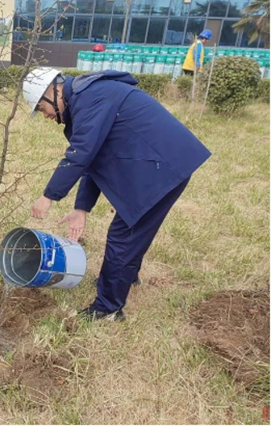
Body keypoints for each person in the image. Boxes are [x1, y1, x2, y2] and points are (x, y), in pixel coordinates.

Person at [23, 68, 211, 321]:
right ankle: (124, 276)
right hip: (157, 163)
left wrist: (49, 196)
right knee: (132, 229)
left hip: (162, 166)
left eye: (41, 108)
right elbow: (94, 159)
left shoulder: (92, 96)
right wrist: (81, 209)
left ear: (52, 92)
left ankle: (108, 308)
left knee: (123, 236)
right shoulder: (86, 98)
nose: (44, 116)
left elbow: (82, 152)